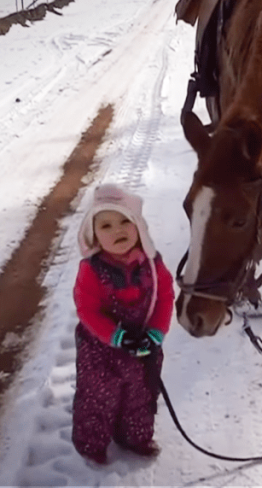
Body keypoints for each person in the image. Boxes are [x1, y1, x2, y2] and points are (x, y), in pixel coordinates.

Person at [71, 184, 174, 465]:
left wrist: (156, 332)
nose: (118, 230)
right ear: (93, 235)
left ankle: (135, 436)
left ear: (138, 226)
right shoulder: (91, 270)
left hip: (143, 343)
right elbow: (87, 310)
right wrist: (114, 336)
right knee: (98, 397)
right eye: (106, 225)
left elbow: (165, 296)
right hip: (100, 348)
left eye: (125, 221)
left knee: (141, 394)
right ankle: (92, 442)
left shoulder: (152, 264)